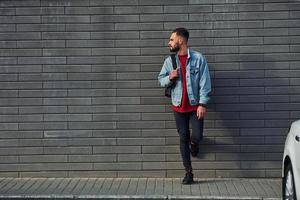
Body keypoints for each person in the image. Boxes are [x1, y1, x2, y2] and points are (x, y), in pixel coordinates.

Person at [158, 28, 211, 184]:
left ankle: (194, 143)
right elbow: (160, 80)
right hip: (178, 107)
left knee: (197, 136)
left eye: (171, 39)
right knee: (183, 138)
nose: (169, 42)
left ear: (180, 40)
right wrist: (169, 76)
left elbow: (205, 83)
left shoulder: (198, 58)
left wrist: (202, 103)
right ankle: (189, 173)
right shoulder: (169, 61)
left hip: (195, 107)